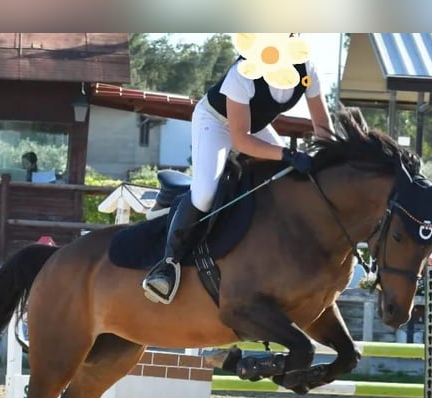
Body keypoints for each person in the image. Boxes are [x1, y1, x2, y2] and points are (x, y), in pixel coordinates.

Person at [141, 34, 335, 304]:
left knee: (290, 179)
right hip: (215, 122)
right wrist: (287, 153)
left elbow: (323, 127)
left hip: (252, 126)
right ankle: (167, 264)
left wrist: (333, 155)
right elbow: (241, 140)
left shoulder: (307, 69)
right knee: (205, 194)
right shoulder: (242, 73)